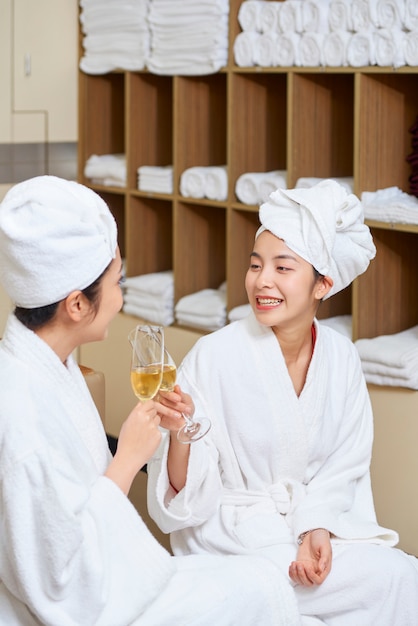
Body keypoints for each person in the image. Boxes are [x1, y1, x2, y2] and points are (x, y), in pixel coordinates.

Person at [0, 175, 302, 626]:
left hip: (101, 575)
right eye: (117, 282)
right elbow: (62, 582)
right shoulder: (22, 416)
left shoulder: (47, 366)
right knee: (262, 589)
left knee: (258, 576)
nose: (122, 299)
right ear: (77, 305)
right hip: (73, 606)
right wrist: (127, 460)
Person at [148, 179, 418, 626]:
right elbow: (183, 489)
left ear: (322, 284)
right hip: (234, 536)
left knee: (400, 576)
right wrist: (179, 435)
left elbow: (344, 466)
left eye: (283, 267)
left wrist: (316, 529)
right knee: (266, 586)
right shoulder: (215, 354)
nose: (262, 281)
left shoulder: (342, 357)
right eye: (256, 266)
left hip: (309, 527)